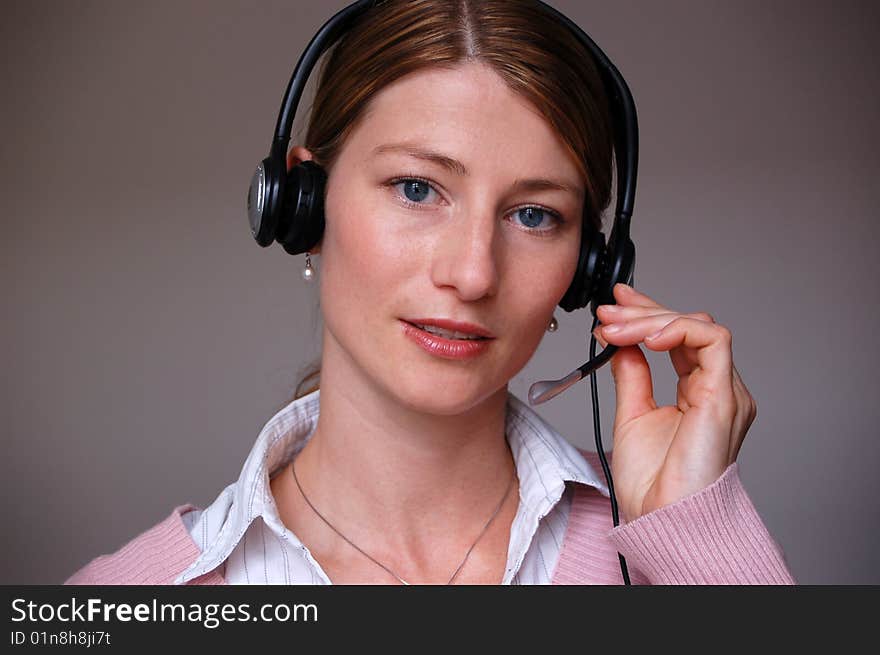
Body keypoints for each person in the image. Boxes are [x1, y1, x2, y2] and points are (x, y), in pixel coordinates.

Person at [65, 0, 795, 585]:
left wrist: (694, 535)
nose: (474, 274)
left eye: (534, 214)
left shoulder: (663, 547)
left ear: (587, 270)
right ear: (305, 207)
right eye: (417, 189)